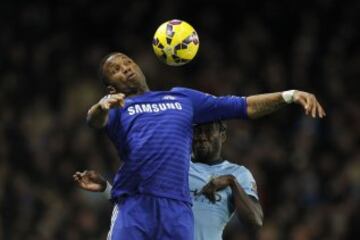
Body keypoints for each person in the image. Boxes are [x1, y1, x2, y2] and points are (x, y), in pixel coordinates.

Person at [86, 52, 325, 240]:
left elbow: (242, 106)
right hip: (136, 203)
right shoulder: (116, 107)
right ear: (111, 88)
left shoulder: (181, 98)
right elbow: (94, 121)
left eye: (127, 62)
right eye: (116, 70)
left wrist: (289, 95)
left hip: (177, 208)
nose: (125, 68)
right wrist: (102, 106)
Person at [74, 121, 263, 240]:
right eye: (197, 131)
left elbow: (254, 220)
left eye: (208, 131)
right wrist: (107, 189)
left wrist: (231, 182)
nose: (201, 137)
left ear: (223, 135)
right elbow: (140, 206)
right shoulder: (172, 164)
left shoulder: (238, 173)